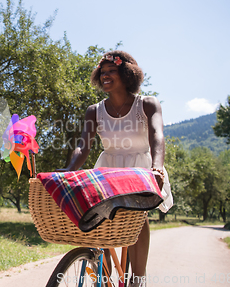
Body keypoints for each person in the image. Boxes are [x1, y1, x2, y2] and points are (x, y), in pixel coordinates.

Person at [57, 50, 172, 287]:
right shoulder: (94, 110)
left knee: (138, 218)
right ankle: (107, 278)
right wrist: (69, 169)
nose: (106, 76)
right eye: (103, 73)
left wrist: (157, 168)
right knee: (103, 221)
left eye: (112, 71)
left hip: (141, 167)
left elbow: (157, 136)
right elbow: (83, 147)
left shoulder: (147, 104)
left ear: (127, 74)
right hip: (108, 168)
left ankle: (138, 280)